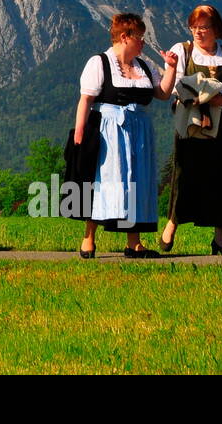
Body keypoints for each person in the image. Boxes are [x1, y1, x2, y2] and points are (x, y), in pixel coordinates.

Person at [72, 13, 178, 259]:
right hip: (110, 129)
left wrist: (171, 69)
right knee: (106, 180)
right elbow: (86, 99)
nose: (142, 42)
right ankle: (89, 236)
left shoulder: (144, 66)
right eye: (139, 37)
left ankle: (135, 243)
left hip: (139, 129)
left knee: (138, 183)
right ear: (124, 37)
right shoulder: (99, 63)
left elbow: (162, 94)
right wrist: (80, 131)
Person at [161, 6, 222, 255]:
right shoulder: (182, 50)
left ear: (216, 30)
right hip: (191, 119)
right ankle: (172, 225)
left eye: (204, 27)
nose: (198, 32)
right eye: (194, 27)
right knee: (185, 171)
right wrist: (196, 97)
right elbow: (174, 84)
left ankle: (219, 237)